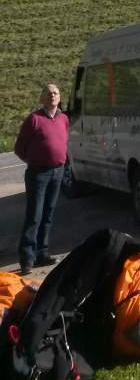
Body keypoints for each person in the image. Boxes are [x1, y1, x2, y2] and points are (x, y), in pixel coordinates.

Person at [15, 83, 69, 275]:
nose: (52, 95)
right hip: (38, 174)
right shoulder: (34, 119)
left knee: (48, 215)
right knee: (34, 216)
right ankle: (27, 258)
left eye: (55, 93)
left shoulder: (63, 118)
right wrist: (35, 161)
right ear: (42, 98)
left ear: (59, 97)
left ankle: (42, 253)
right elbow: (19, 148)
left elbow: (63, 141)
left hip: (58, 172)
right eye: (48, 93)